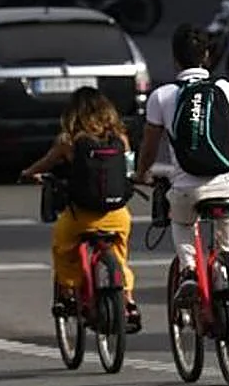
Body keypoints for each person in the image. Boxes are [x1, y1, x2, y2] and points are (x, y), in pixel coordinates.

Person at [134, 24, 229, 300]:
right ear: (207, 55)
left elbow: (149, 148)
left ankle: (188, 271)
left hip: (189, 187)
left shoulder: (161, 97)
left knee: (182, 222)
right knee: (227, 246)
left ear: (175, 59)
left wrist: (141, 174)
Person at [20, 86, 142, 333]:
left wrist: (28, 173)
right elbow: (129, 172)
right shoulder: (121, 138)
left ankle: (67, 293)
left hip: (81, 217)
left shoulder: (69, 141)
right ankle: (128, 302)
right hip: (117, 215)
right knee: (120, 257)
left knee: (62, 246)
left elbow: (46, 163)